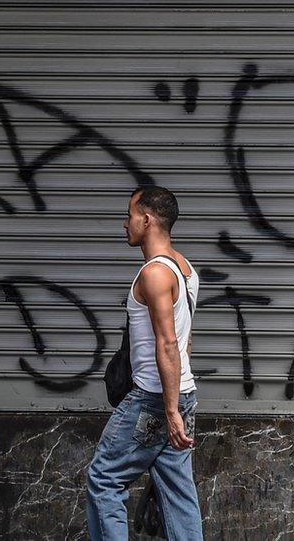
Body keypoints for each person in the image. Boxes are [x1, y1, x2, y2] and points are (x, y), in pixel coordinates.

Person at [86, 186, 202, 540]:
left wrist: (169, 411)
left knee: (103, 479)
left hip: (154, 399)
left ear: (148, 220)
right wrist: (179, 404)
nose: (125, 223)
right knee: (178, 493)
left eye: (130, 214)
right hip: (184, 394)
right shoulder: (186, 269)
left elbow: (168, 343)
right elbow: (186, 343)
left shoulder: (154, 274)